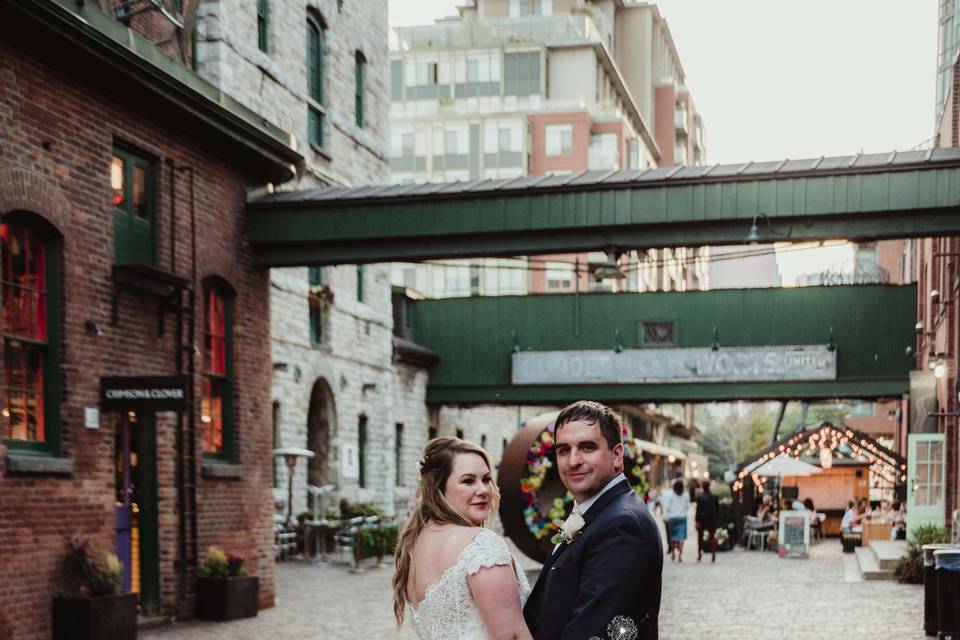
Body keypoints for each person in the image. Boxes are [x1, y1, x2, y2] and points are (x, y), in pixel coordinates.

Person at [523, 400, 663, 640]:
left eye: (587, 447)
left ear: (617, 455)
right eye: (564, 450)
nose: (573, 460)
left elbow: (593, 630)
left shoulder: (622, 525)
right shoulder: (598, 511)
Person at [393, 437, 532, 640]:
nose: (483, 490)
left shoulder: (416, 544)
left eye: (486, 479)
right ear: (439, 488)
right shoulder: (480, 545)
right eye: (468, 481)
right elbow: (512, 636)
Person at [661, 479, 690, 562]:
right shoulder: (686, 495)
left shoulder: (671, 495)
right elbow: (687, 506)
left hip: (672, 517)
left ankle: (673, 554)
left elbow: (667, 506)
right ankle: (680, 556)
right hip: (682, 517)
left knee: (672, 536)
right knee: (681, 537)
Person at [695, 479, 720, 562]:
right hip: (712, 519)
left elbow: (698, 511)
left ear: (703, 487)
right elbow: (717, 510)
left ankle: (699, 554)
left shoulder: (700, 497)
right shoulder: (714, 497)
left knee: (700, 537)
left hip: (702, 519)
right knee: (712, 537)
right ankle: (713, 553)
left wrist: (697, 521)